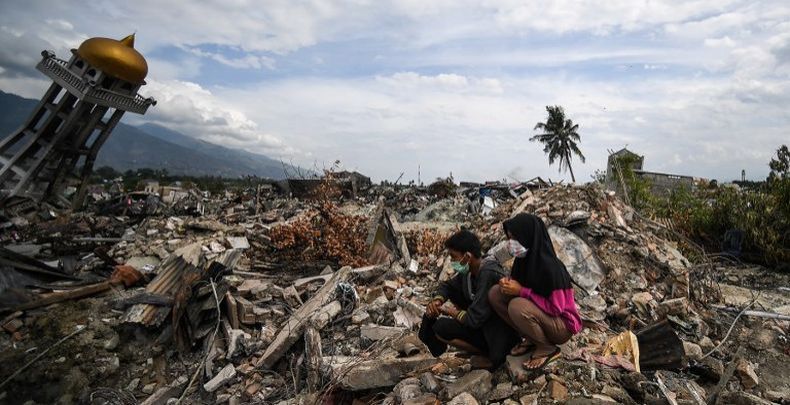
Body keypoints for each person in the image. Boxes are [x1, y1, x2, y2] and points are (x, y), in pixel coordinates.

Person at [488, 213, 582, 371]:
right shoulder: (523, 261)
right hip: (542, 317)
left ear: (528, 237)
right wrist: (507, 284)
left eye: (515, 239)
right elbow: (518, 284)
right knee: (496, 294)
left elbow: (556, 308)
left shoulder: (551, 268)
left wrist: (521, 291)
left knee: (517, 306)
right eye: (509, 238)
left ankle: (546, 348)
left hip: (562, 325)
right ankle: (532, 338)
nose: (511, 244)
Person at [418, 229, 520, 369]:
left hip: (498, 331)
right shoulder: (469, 273)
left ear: (467, 256)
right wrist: (438, 300)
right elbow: (447, 286)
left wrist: (449, 311)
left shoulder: (488, 273)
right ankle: (482, 350)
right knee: (439, 328)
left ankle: (491, 354)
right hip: (481, 325)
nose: (453, 262)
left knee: (497, 356)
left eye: (454, 257)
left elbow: (474, 319)